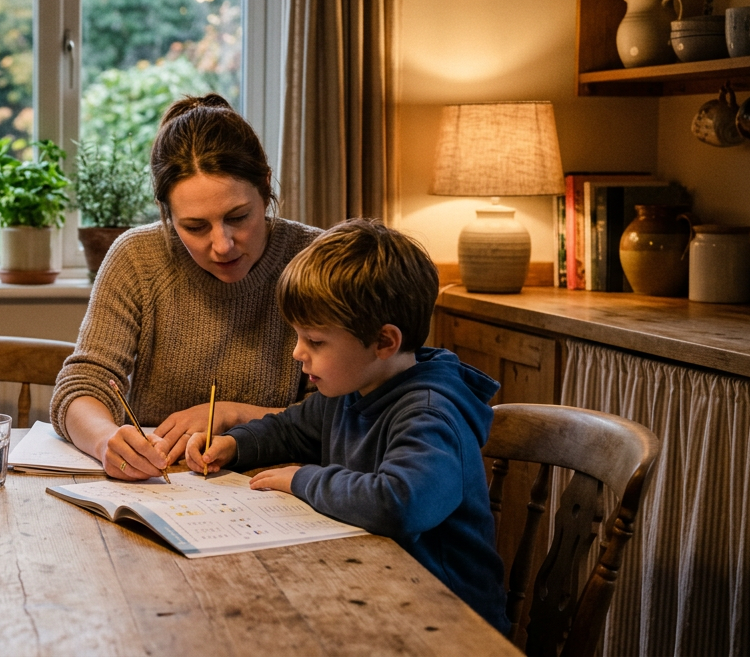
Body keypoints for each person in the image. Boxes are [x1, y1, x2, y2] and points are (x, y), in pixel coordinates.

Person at [184, 218, 509, 633]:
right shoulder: (355, 387)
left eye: (316, 341)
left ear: (384, 342)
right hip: (375, 592)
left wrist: (303, 479)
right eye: (298, 336)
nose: (298, 353)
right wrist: (233, 444)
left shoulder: (430, 412)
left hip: (448, 623)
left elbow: (399, 503)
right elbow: (289, 429)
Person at [50, 94, 321, 481]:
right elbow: (83, 386)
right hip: (160, 486)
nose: (223, 244)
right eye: (195, 227)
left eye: (238, 217)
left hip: (281, 487)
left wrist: (233, 414)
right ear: (167, 215)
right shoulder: (138, 259)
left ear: (265, 188)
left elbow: (347, 413)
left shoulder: (315, 259)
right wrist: (106, 441)